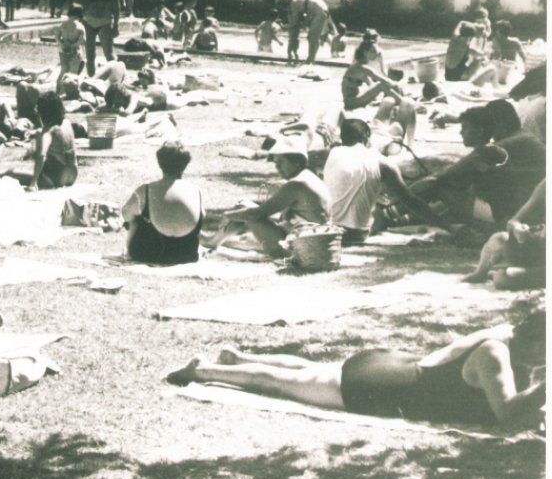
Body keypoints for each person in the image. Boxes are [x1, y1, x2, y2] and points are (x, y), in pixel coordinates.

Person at [166, 311, 546, 430]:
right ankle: (205, 372)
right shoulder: (495, 353)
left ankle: (241, 357)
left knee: (315, 370)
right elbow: (508, 413)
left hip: (398, 367)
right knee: (286, 384)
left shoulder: (507, 333)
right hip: (388, 386)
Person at [410, 101, 545, 228]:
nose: (461, 132)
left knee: (438, 185)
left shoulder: (505, 145)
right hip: (524, 209)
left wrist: (399, 195)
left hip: (514, 214)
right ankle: (404, 215)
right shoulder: (522, 138)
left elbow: (442, 177)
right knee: (455, 186)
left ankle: (395, 212)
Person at [323, 117, 449, 245]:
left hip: (328, 231)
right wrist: (447, 227)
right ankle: (433, 218)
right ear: (367, 136)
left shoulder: (328, 154)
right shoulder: (383, 163)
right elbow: (411, 201)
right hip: (356, 234)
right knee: (400, 202)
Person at [206, 141, 329, 257]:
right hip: (319, 244)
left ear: (296, 162)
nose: (277, 168)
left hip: (303, 249)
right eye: (276, 163)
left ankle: (211, 242)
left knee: (245, 210)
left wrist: (227, 215)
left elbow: (255, 214)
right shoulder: (309, 177)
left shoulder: (296, 184)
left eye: (281, 162)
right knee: (242, 229)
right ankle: (213, 241)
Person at [121, 143, 204, 264]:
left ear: (160, 163)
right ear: (185, 164)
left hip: (149, 254)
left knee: (135, 218)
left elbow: (126, 215)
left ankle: (128, 253)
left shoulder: (146, 190)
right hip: (187, 254)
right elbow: (202, 217)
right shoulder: (196, 190)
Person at [465, 181, 545, 289]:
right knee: (498, 238)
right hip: (537, 248)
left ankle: (497, 273)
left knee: (505, 278)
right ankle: (480, 273)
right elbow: (513, 221)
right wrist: (518, 228)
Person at [340, 40, 417, 146]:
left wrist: (382, 93)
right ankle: (403, 103)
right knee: (384, 85)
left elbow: (371, 85)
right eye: (372, 52)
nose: (375, 54)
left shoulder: (359, 66)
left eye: (376, 52)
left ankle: (401, 103)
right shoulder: (361, 67)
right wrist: (397, 86)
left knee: (384, 87)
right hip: (351, 101)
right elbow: (385, 81)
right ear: (364, 52)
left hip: (354, 99)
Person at [79, 0, 121, 76]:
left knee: (109, 54)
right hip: (89, 21)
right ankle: (92, 79)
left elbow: (116, 6)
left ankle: (116, 78)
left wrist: (116, 25)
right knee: (90, 55)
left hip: (105, 21)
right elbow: (82, 4)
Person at [26, 92, 77, 190]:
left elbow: (41, 156)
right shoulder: (67, 123)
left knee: (12, 173)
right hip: (72, 176)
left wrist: (33, 183)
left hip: (56, 179)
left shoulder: (49, 132)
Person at [276, 0, 331, 65]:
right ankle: (311, 59)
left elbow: (294, 22)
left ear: (284, 5)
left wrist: (284, 27)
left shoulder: (293, 5)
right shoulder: (294, 1)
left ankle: (310, 60)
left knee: (313, 37)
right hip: (320, 8)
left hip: (319, 11)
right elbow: (299, 20)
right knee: (312, 37)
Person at [56, 4, 87, 92]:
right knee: (72, 74)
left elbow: (57, 37)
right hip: (74, 51)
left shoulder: (63, 25)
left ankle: (58, 91)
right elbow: (83, 40)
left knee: (63, 71)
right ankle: (69, 93)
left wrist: (62, 44)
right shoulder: (80, 26)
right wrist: (74, 45)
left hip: (63, 50)